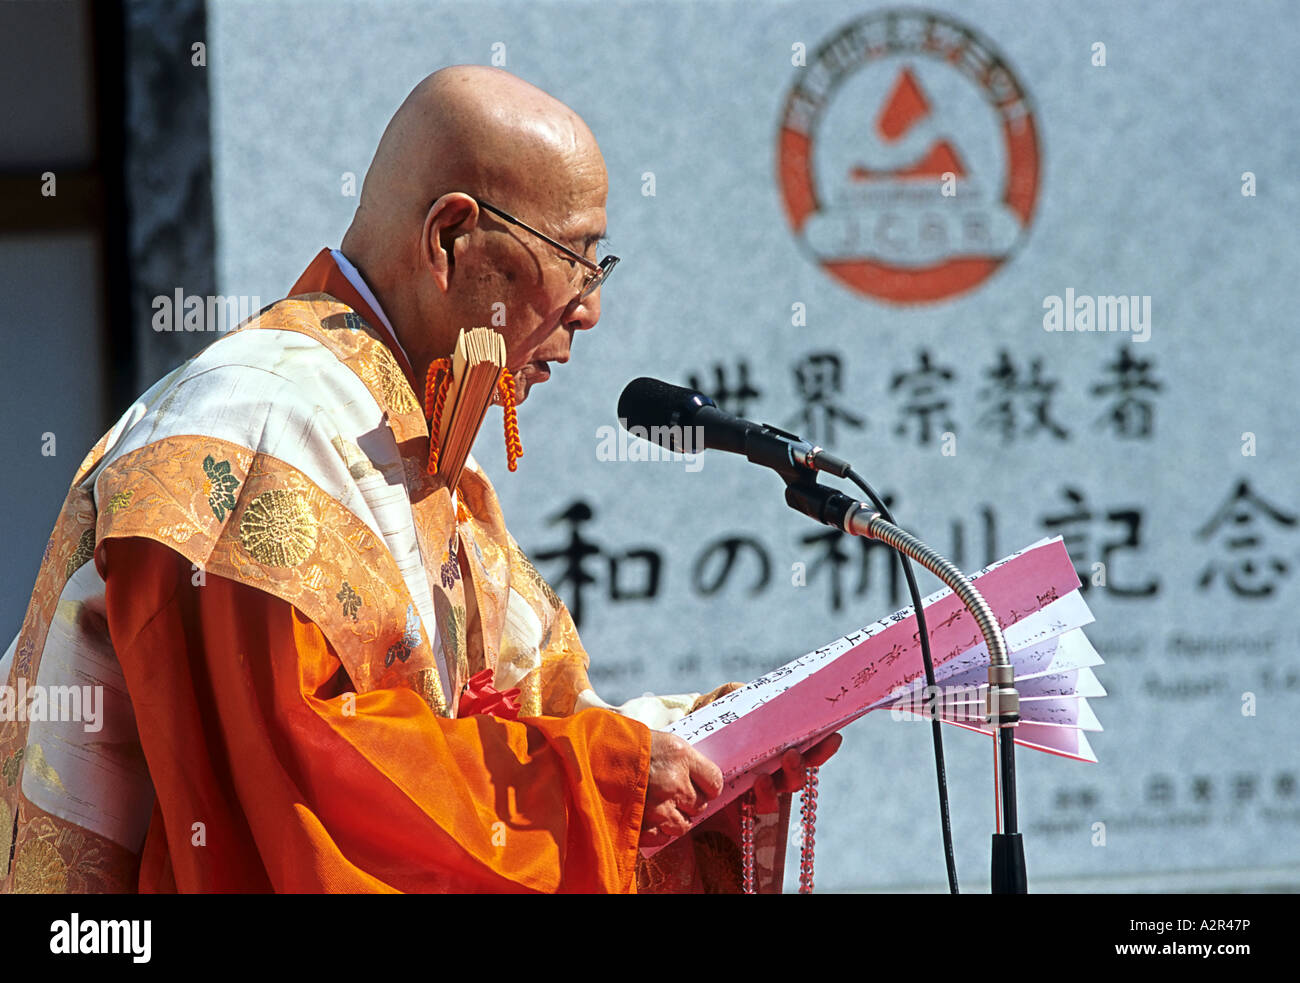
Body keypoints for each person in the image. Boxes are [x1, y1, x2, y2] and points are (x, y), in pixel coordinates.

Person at [0, 66, 836, 894]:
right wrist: (608, 784)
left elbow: (528, 717)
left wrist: (712, 751)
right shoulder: (259, 424)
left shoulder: (414, 445)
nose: (589, 308)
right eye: (575, 258)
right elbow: (302, 785)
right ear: (450, 238)